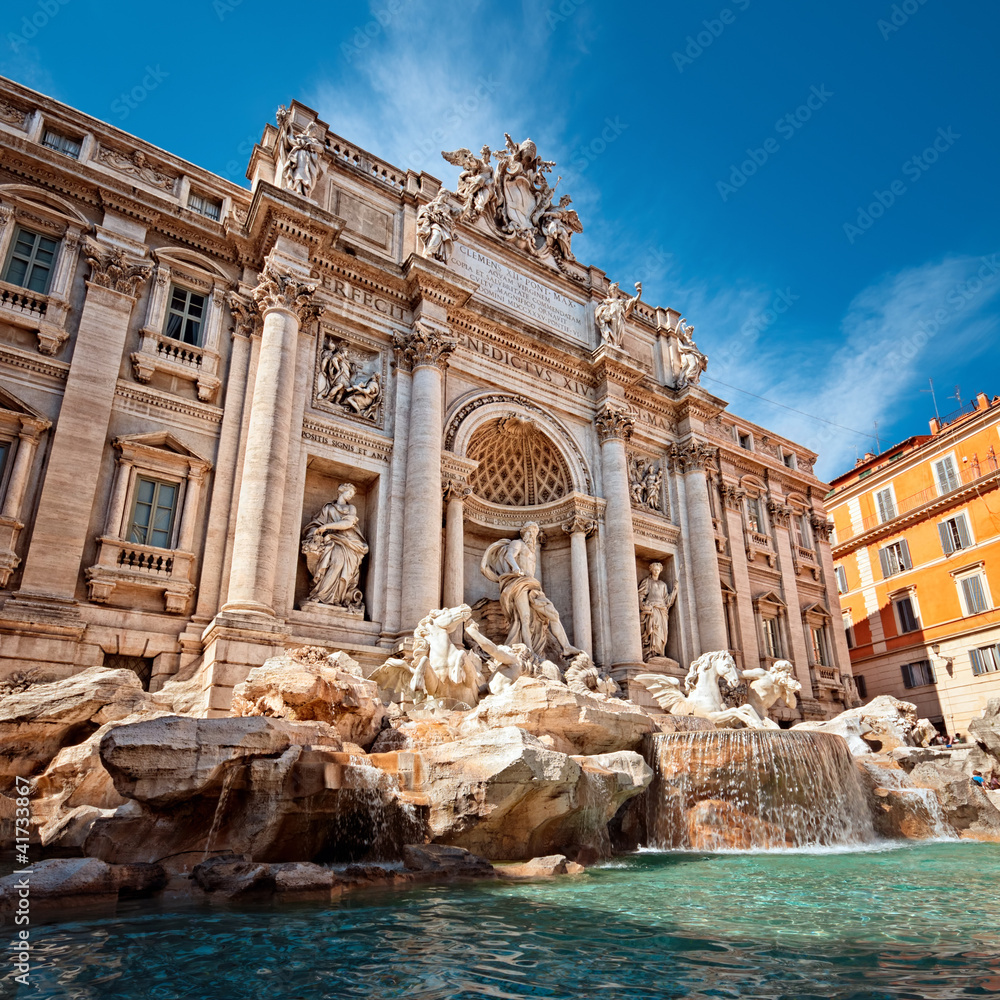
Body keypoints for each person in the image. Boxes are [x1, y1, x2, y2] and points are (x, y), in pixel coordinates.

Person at [300, 483, 369, 610]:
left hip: (348, 542)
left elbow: (348, 523)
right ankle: (321, 595)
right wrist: (316, 532)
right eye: (349, 493)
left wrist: (326, 526)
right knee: (333, 563)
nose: (351, 496)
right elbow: (317, 523)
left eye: (353, 494)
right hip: (331, 540)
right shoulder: (327, 508)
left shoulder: (351, 508)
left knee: (339, 563)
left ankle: (337, 598)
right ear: (341, 491)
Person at [637, 562, 677, 660]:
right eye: (654, 570)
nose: (656, 572)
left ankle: (660, 652)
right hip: (652, 608)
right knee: (653, 630)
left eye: (658, 570)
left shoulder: (663, 584)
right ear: (651, 570)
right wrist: (643, 606)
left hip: (662, 610)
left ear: (660, 571)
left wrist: (675, 590)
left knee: (662, 632)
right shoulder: (647, 582)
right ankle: (652, 652)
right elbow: (640, 595)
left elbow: (667, 601)